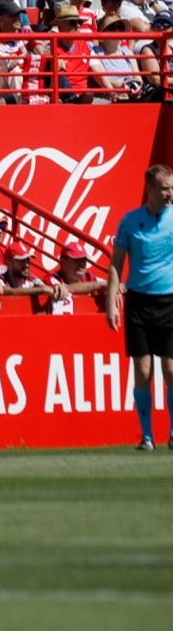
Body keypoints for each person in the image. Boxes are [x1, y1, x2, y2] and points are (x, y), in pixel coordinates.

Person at [106, 163, 173, 452]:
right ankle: (146, 436)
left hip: (170, 300)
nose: (170, 193)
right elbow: (115, 265)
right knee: (143, 371)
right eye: (165, 188)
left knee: (171, 370)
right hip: (139, 302)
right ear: (150, 189)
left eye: (172, 187)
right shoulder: (130, 222)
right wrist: (112, 302)